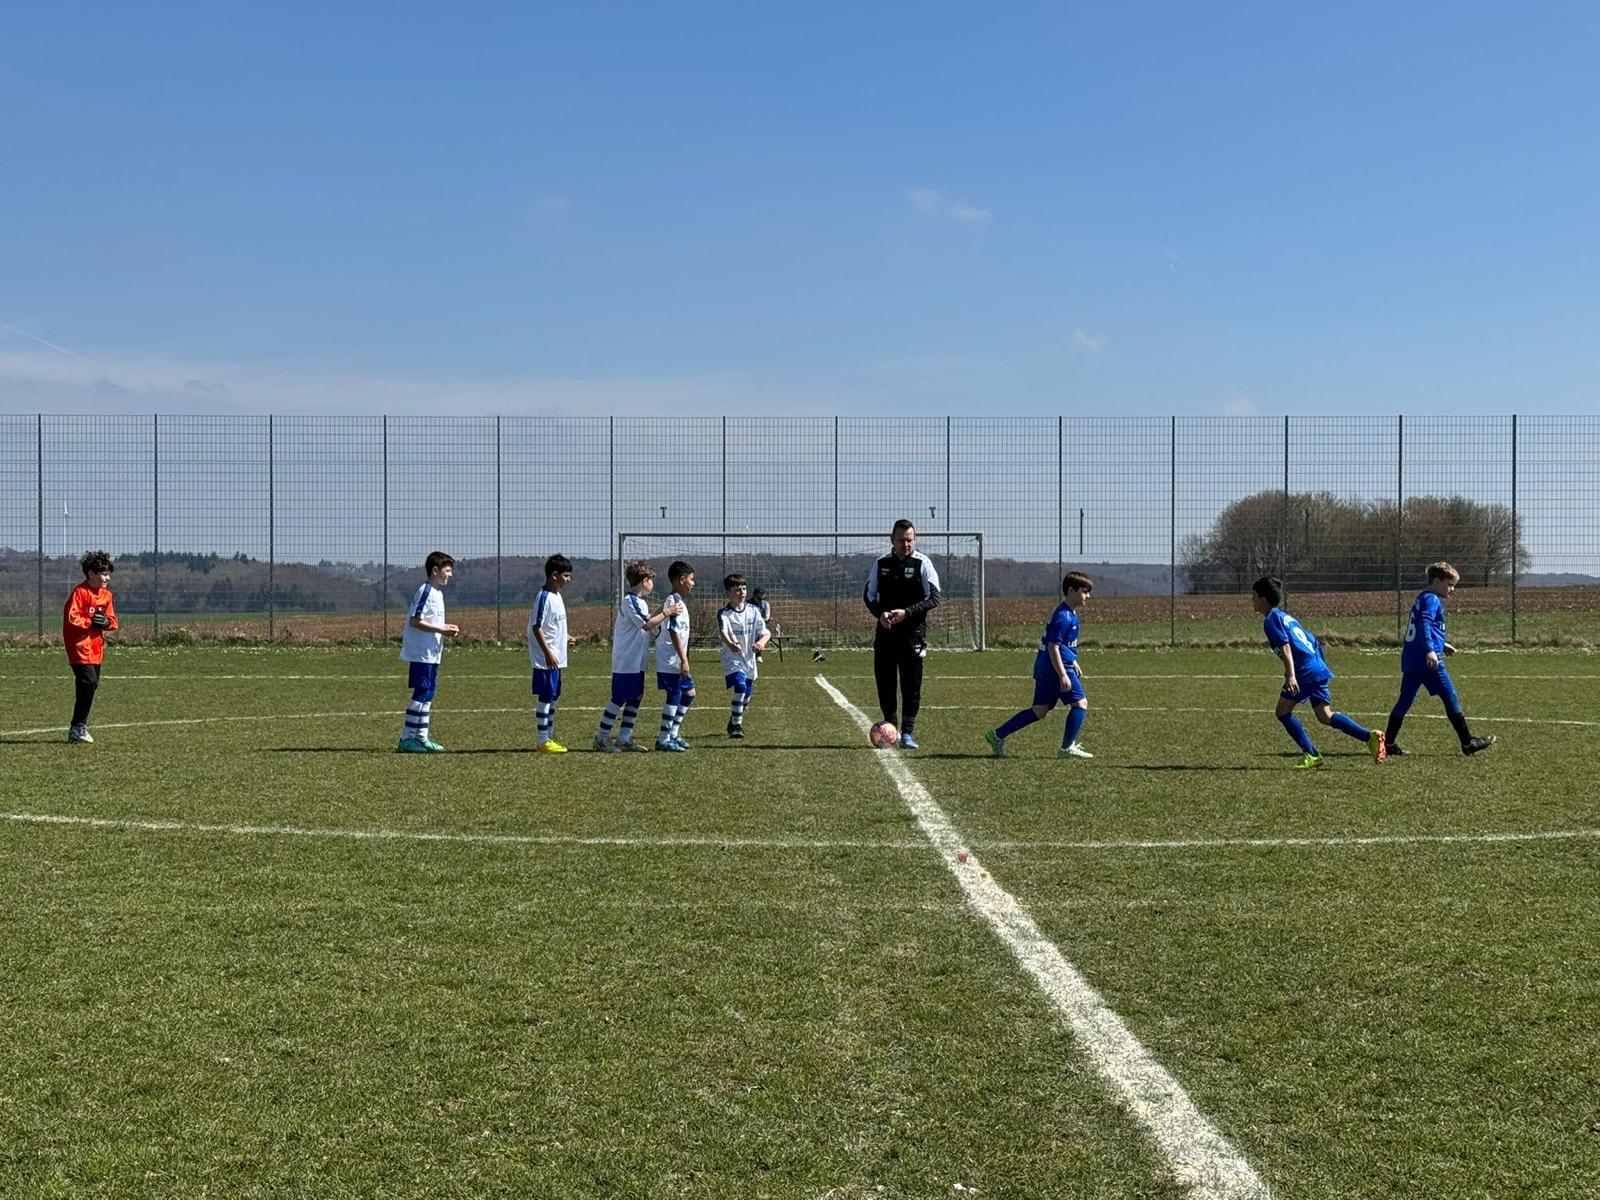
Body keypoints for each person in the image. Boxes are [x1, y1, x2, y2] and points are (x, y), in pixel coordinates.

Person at [1252, 575, 1386, 769]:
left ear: (1263, 599)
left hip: (1305, 670)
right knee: (1325, 715)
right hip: (1316, 666)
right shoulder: (1286, 617)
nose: (1252, 600)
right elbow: (1312, 640)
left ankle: (1311, 754)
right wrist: (1319, 667)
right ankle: (1370, 737)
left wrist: (1291, 674)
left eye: (1254, 596)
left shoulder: (1271, 619)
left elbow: (1285, 646)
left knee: (1282, 712)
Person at [1383, 562, 1496, 756]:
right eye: (1450, 584)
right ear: (1437, 581)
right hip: (1428, 661)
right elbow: (1424, 624)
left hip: (1412, 659)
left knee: (1405, 701)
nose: (1452, 589)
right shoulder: (1432, 600)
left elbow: (1422, 626)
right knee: (1450, 696)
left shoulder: (1422, 598)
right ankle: (1467, 743)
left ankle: (1388, 743)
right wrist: (1430, 650)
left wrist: (1441, 644)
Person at [985, 571, 1095, 759]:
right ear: (1071, 590)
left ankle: (998, 735)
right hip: (1054, 668)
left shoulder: (1070, 613)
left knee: (1040, 710)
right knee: (1080, 704)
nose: (1088, 596)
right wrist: (1062, 674)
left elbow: (1062, 644)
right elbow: (1053, 646)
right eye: (1085, 592)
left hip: (1045, 667)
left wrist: (1073, 660)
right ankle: (1067, 748)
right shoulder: (1063, 616)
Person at [863, 519, 941, 750]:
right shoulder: (881, 564)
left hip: (912, 635)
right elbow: (869, 595)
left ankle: (907, 733)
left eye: (910, 540)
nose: (906, 544)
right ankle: (890, 727)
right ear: (892, 540)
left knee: (911, 685)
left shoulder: (922, 563)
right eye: (901, 540)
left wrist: (907, 613)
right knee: (885, 683)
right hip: (886, 634)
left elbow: (935, 597)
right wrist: (880, 614)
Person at [595, 561, 682, 752]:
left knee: (636, 697)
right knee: (619, 697)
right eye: (651, 579)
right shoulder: (630, 601)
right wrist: (667, 612)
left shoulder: (639, 602)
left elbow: (650, 621)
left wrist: (662, 610)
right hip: (626, 660)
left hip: (637, 660)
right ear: (644, 581)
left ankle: (624, 738)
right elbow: (647, 625)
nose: (653, 584)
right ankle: (601, 738)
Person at [397, 551, 459, 752]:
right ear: (435, 570)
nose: (450, 575)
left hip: (433, 652)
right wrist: (441, 629)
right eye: (447, 571)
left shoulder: (437, 593)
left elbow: (431, 621)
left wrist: (446, 627)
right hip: (421, 652)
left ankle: (421, 737)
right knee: (422, 691)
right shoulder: (424, 591)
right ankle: (407, 739)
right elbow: (415, 621)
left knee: (429, 692)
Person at [63, 549, 119, 743]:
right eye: (103, 574)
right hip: (79, 646)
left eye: (108, 573)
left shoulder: (106, 596)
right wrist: (90, 620)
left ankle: (77, 728)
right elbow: (72, 618)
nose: (107, 578)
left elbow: (113, 621)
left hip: (96, 648)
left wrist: (105, 623)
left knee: (88, 686)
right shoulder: (80, 593)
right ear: (91, 574)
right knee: (89, 683)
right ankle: (78, 726)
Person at [529, 554, 579, 753]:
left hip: (557, 657)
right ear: (554, 575)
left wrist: (566, 637)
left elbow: (553, 625)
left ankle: (549, 735)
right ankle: (542, 740)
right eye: (566, 576)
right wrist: (548, 652)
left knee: (554, 695)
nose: (569, 580)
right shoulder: (544, 597)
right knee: (546, 696)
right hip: (546, 659)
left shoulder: (557, 596)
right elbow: (537, 626)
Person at [718, 574, 771, 739]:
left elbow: (766, 632)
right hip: (732, 658)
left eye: (743, 589)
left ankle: (732, 721)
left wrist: (761, 642)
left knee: (746, 695)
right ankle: (737, 726)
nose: (741, 593)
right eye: (736, 590)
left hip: (749, 659)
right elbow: (723, 631)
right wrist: (730, 644)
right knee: (739, 687)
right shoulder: (724, 613)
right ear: (728, 593)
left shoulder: (754, 611)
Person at [653, 560, 696, 751]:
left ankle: (673, 733)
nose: (693, 583)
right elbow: (673, 631)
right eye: (692, 579)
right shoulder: (673, 602)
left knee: (689, 694)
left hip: (677, 659)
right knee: (675, 694)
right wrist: (684, 659)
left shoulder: (678, 602)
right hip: (670, 659)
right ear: (682, 579)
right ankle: (663, 739)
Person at [750, 587, 772, 662]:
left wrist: (765, 619)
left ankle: (758, 654)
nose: (761, 600)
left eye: (763, 598)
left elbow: (767, 616)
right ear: (754, 596)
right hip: (750, 625)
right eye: (759, 598)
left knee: (760, 633)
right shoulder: (748, 604)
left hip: (761, 625)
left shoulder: (766, 604)